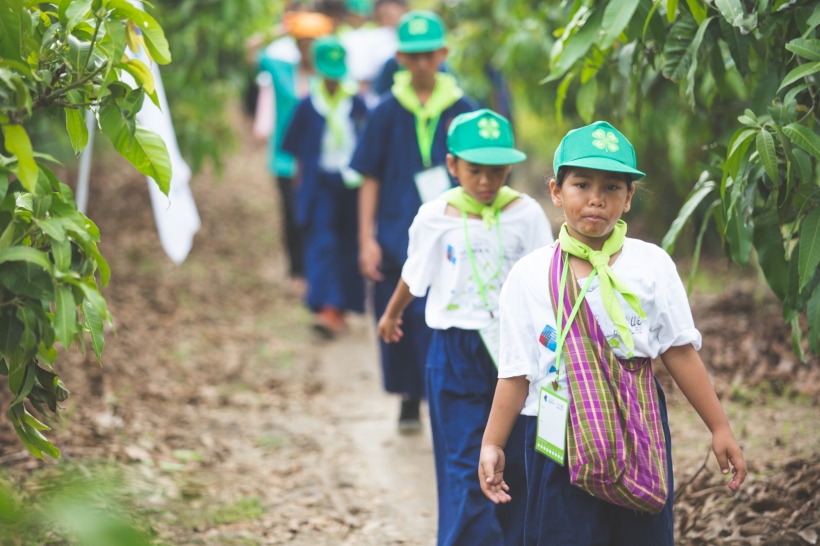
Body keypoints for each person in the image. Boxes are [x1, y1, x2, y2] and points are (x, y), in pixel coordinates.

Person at [478, 121, 748, 545]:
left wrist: (720, 428)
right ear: (555, 191)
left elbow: (678, 351)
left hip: (638, 424)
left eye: (612, 188)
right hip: (557, 433)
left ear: (629, 197)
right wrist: (493, 442)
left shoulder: (651, 265)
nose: (596, 200)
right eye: (581, 184)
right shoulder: (530, 275)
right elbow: (515, 370)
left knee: (640, 534)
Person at [378, 109, 552, 545]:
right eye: (475, 171)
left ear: (509, 168)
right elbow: (414, 274)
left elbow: (546, 280)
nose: (486, 182)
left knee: (516, 457)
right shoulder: (435, 214)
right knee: (463, 462)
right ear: (452, 165)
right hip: (454, 351)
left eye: (496, 171)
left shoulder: (526, 213)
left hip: (515, 352)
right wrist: (392, 313)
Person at [350, 10, 476, 432]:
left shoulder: (462, 109)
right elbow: (369, 175)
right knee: (398, 313)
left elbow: (484, 172)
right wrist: (366, 237)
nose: (422, 63)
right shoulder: (385, 111)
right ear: (400, 57)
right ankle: (408, 397)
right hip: (394, 235)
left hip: (454, 236)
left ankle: (446, 396)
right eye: (413, 55)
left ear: (443, 53)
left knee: (447, 317)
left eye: (430, 54)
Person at [281, 37, 368, 337]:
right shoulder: (307, 106)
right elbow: (294, 150)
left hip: (351, 186)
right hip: (319, 186)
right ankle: (327, 307)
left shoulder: (356, 104)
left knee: (348, 244)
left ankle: (341, 306)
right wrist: (299, 192)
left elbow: (367, 145)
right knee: (323, 243)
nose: (332, 79)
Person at [255, 12, 334, 281]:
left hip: (318, 159)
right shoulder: (281, 69)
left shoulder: (328, 76)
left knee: (316, 211)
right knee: (291, 213)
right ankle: (296, 269)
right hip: (285, 157)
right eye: (303, 41)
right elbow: (252, 50)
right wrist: (283, 29)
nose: (308, 48)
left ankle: (315, 268)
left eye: (314, 41)